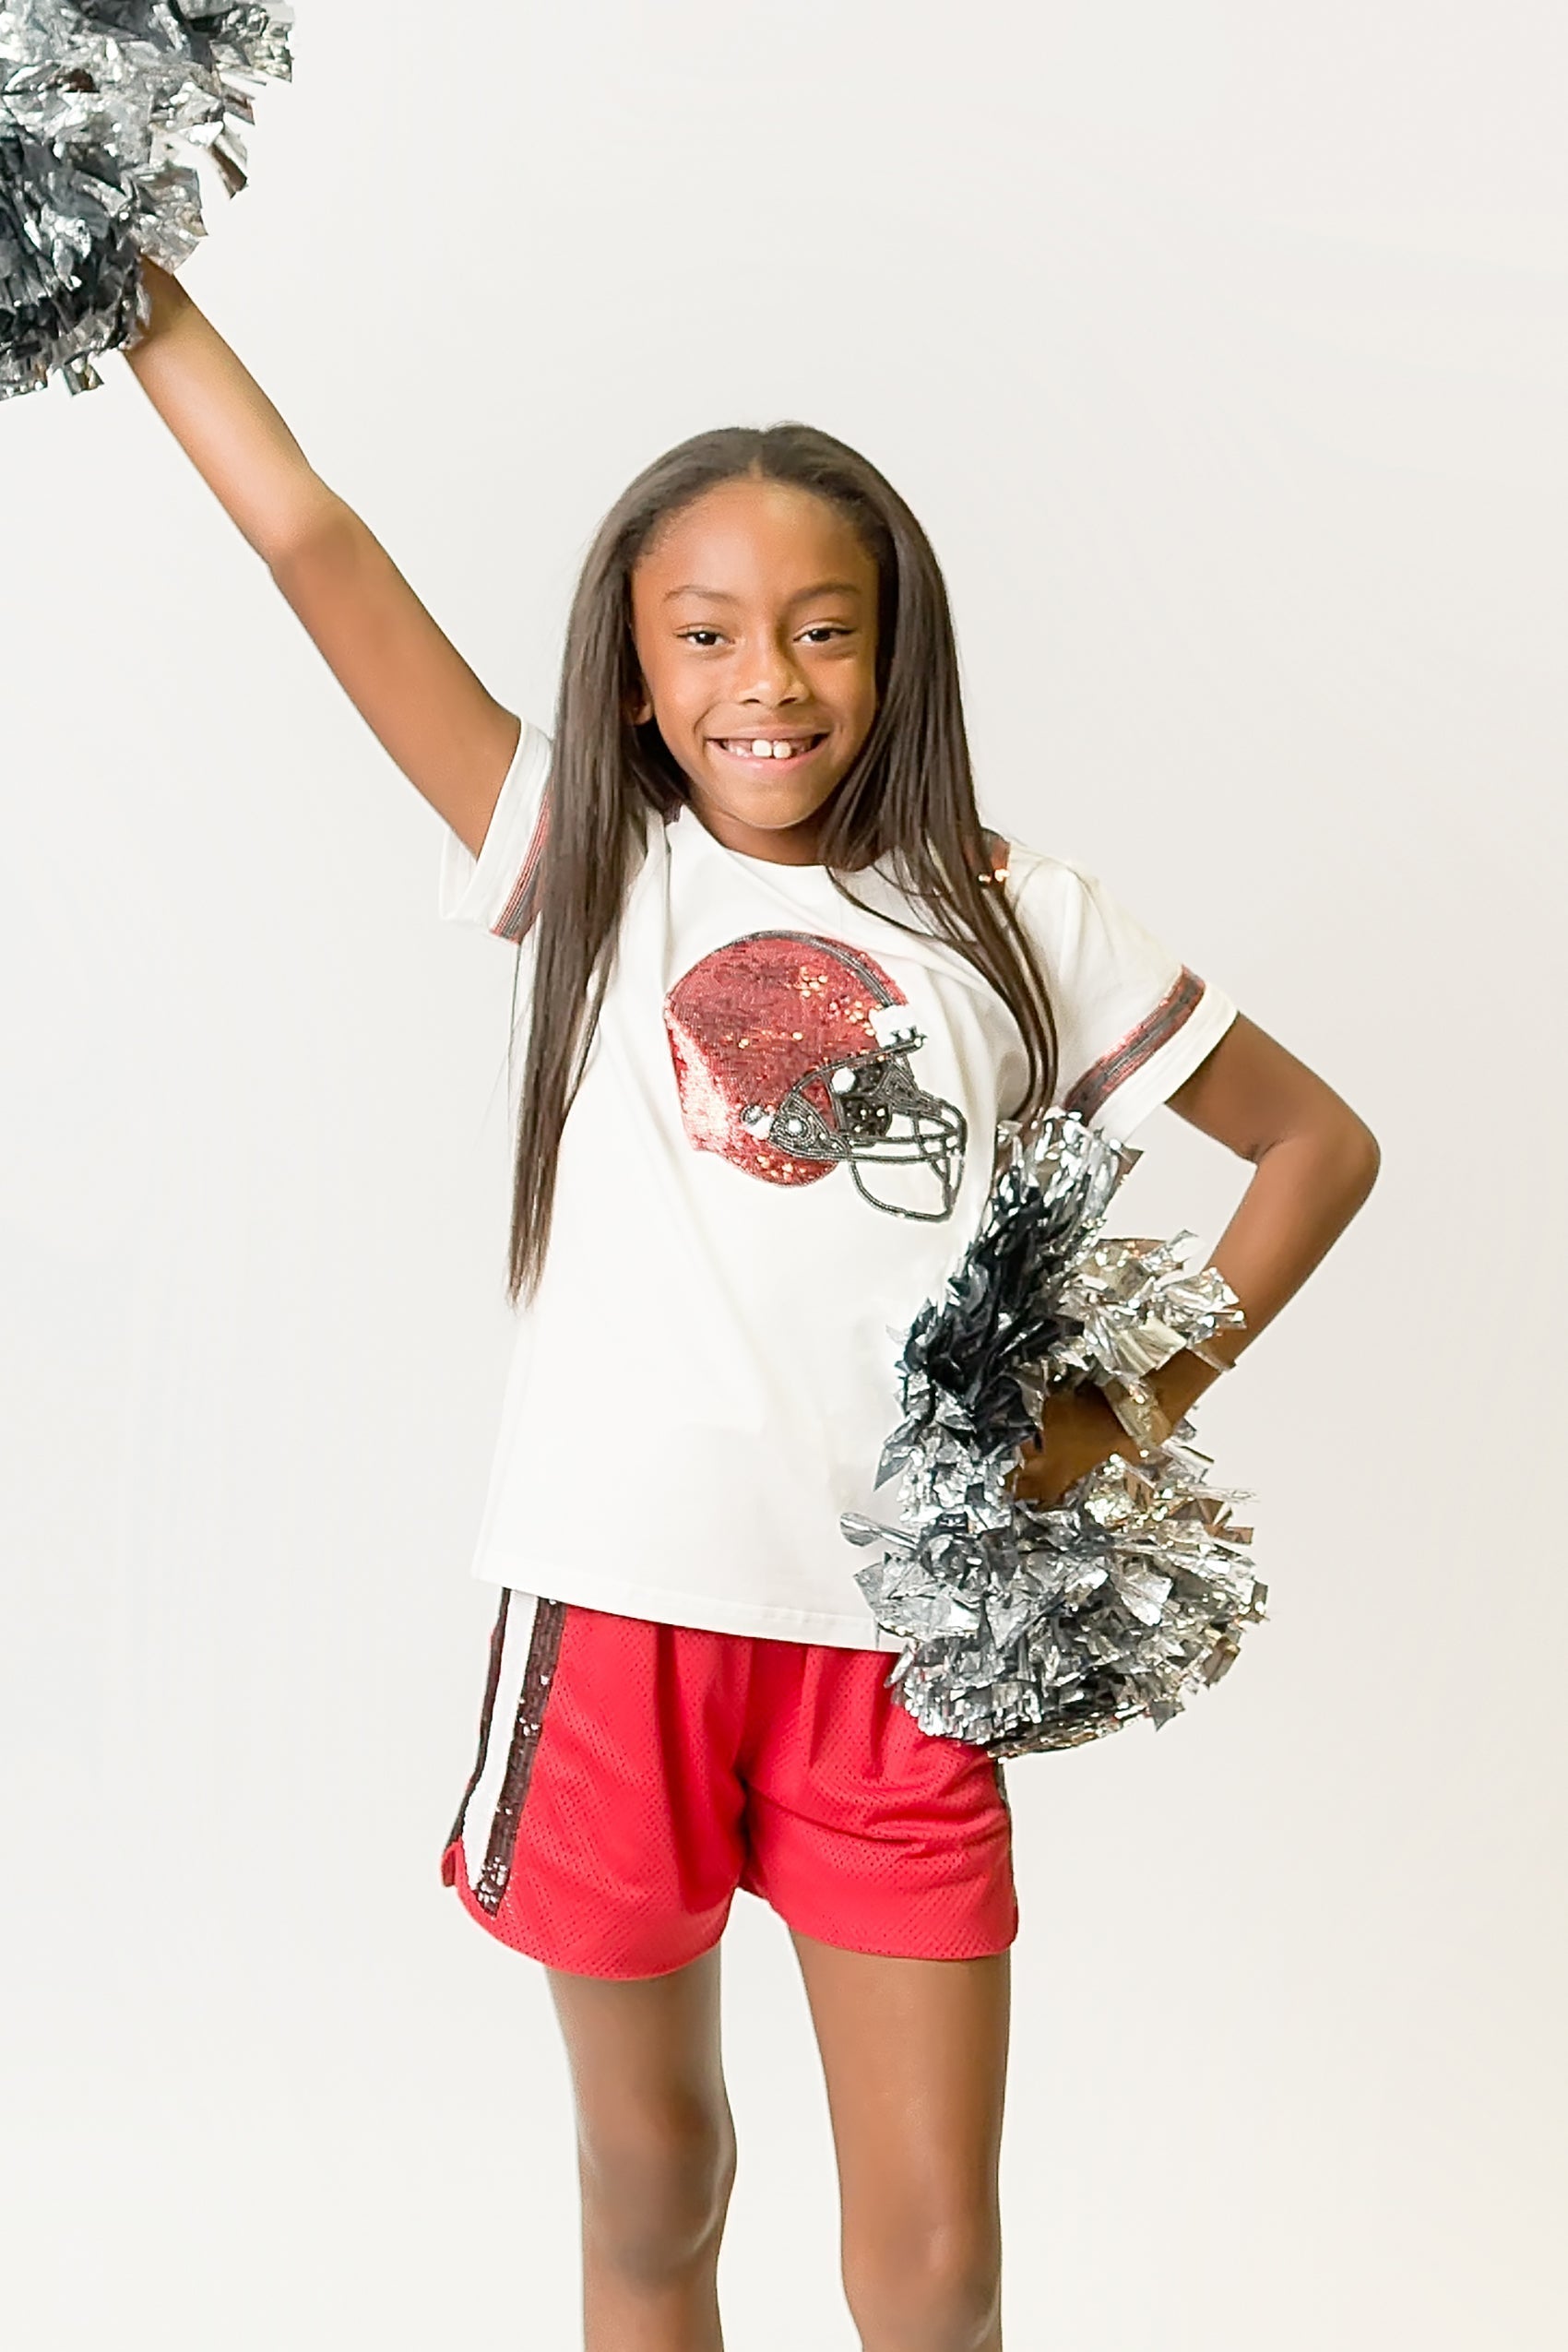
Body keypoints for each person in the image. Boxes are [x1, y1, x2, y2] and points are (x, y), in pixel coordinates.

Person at [119, 259, 1378, 2352]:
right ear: (629, 670)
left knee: (937, 2266)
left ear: (895, 654)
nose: (763, 682)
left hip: (894, 1655)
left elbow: (1314, 1148)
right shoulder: (594, 862)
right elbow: (311, 534)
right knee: (653, 2183)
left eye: (818, 630)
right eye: (701, 635)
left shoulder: (1009, 912)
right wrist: (127, 279)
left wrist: (1103, 1425)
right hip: (612, 1620)